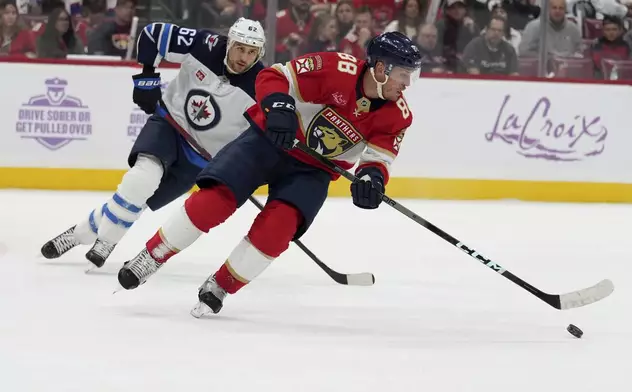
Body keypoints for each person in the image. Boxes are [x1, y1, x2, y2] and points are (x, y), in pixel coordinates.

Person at [116, 31, 422, 318]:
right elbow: (275, 77)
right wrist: (279, 107)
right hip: (268, 141)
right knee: (213, 201)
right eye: (403, 75)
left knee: (278, 229)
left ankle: (221, 286)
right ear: (381, 68)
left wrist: (372, 180)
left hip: (314, 170)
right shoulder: (335, 68)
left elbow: (379, 158)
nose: (407, 84)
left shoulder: (399, 115)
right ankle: (150, 257)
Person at [40, 17, 266, 269]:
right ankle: (106, 241)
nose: (244, 58)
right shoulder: (205, 44)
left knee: (138, 199)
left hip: (200, 159)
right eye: (240, 48)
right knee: (141, 179)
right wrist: (147, 78)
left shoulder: (262, 85)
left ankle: (78, 233)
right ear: (229, 43)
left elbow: (259, 137)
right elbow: (152, 34)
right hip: (169, 125)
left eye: (251, 52)